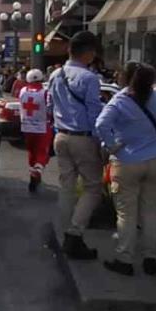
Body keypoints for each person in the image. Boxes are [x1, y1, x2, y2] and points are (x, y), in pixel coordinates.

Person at [96, 64, 156, 276]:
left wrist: (112, 146)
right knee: (150, 210)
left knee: (126, 213)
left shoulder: (120, 100)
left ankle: (125, 258)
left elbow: (101, 124)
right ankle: (151, 258)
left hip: (127, 160)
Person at [48, 31, 104, 260]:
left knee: (66, 186)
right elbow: (95, 113)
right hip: (83, 138)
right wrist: (102, 141)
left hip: (60, 136)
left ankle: (64, 233)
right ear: (89, 53)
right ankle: (74, 233)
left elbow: (50, 105)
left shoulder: (55, 74)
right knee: (93, 188)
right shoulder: (89, 78)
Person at [19, 68, 53, 192]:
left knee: (31, 152)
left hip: (26, 127)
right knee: (42, 152)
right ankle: (37, 171)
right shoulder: (46, 93)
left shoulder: (23, 91)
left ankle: (33, 173)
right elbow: (50, 109)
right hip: (42, 127)